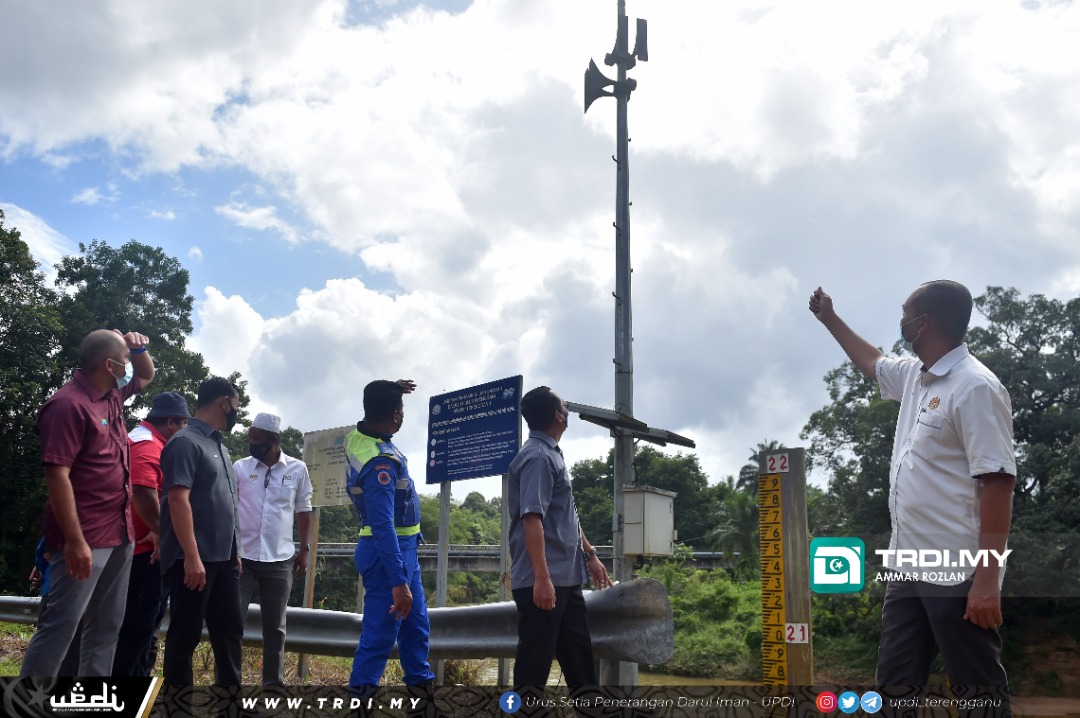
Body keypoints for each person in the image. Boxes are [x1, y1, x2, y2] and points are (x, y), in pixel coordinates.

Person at [809, 281, 1015, 694]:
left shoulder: (975, 386)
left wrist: (986, 580)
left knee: (978, 689)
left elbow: (998, 482)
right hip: (907, 565)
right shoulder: (916, 378)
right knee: (893, 685)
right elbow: (874, 362)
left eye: (905, 314)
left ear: (924, 322)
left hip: (956, 570)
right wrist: (829, 318)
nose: (900, 321)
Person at [20, 328, 154, 677]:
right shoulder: (67, 405)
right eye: (124, 359)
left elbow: (146, 375)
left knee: (107, 627)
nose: (128, 365)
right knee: (61, 627)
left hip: (120, 532)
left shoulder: (111, 395)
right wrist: (75, 541)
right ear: (109, 365)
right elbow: (57, 476)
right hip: (86, 536)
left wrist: (137, 348)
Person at [507, 385, 611, 689]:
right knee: (533, 667)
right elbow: (532, 518)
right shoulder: (538, 457)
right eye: (564, 406)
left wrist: (590, 555)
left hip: (565, 578)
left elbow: (566, 515)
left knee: (579, 660)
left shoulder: (551, 454)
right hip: (544, 582)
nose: (567, 411)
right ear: (557, 416)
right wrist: (542, 578)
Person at [345, 379, 436, 698]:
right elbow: (383, 525)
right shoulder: (380, 462)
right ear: (396, 415)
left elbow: (375, 403)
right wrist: (398, 581)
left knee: (416, 629)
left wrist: (391, 388)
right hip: (388, 553)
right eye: (401, 410)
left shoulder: (360, 436)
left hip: (403, 551)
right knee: (380, 638)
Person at [158, 377, 244, 692]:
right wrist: (192, 557)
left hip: (225, 559)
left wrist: (236, 550)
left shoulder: (220, 446)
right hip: (193, 559)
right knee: (186, 634)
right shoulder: (185, 442)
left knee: (230, 632)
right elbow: (177, 499)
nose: (236, 411)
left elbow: (227, 502)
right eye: (236, 404)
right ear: (224, 402)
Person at [112, 391, 190, 677]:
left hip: (138, 549)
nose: (183, 431)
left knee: (141, 631)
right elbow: (143, 492)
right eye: (183, 424)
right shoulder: (148, 445)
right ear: (170, 422)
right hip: (143, 553)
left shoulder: (140, 438)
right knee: (136, 630)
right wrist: (161, 531)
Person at [235, 412, 313, 686]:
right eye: (250, 437)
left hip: (279, 559)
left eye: (257, 439)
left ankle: (273, 687)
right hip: (242, 558)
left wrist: (304, 549)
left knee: (275, 627)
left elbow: (304, 510)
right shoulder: (240, 468)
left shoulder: (297, 469)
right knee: (233, 622)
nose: (252, 443)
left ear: (274, 439)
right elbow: (230, 508)